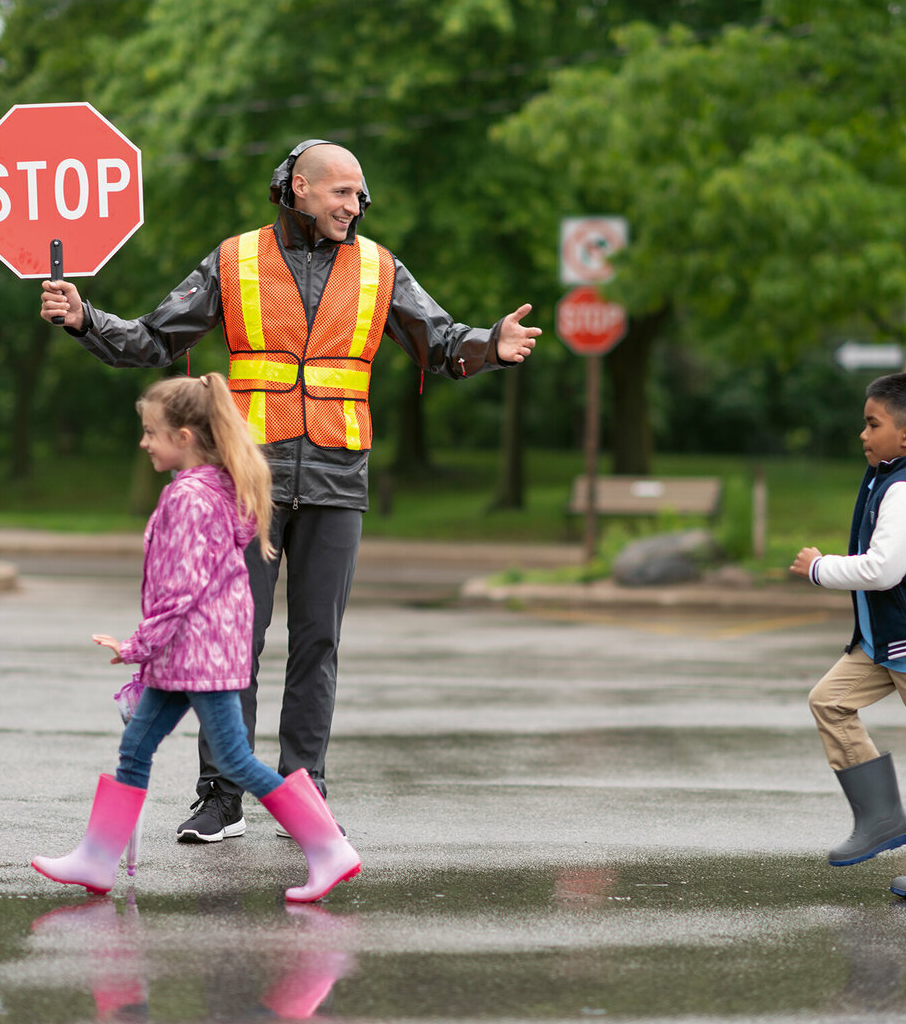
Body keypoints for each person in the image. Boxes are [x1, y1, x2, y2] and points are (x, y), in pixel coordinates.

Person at [40, 139, 540, 843]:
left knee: (318, 642)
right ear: (297, 187)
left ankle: (305, 790)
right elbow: (154, 339)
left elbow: (443, 342)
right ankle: (222, 797)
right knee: (230, 640)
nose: (355, 205)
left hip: (339, 478)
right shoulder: (235, 259)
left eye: (360, 195)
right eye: (342, 192)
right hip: (248, 483)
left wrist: (491, 343)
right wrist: (85, 318)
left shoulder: (378, 268)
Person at [31, 374, 360, 902]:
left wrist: (136, 647)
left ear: (184, 437)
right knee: (135, 747)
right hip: (190, 656)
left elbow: (179, 590)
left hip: (199, 657)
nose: (144, 442)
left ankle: (326, 848)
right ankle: (96, 859)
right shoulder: (214, 489)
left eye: (151, 433)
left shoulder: (190, 497)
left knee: (234, 760)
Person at [789, 372, 906, 900]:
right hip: (888, 641)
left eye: (872, 424)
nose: (862, 434)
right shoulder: (886, 475)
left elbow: (882, 570)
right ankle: (880, 818)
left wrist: (819, 569)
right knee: (828, 701)